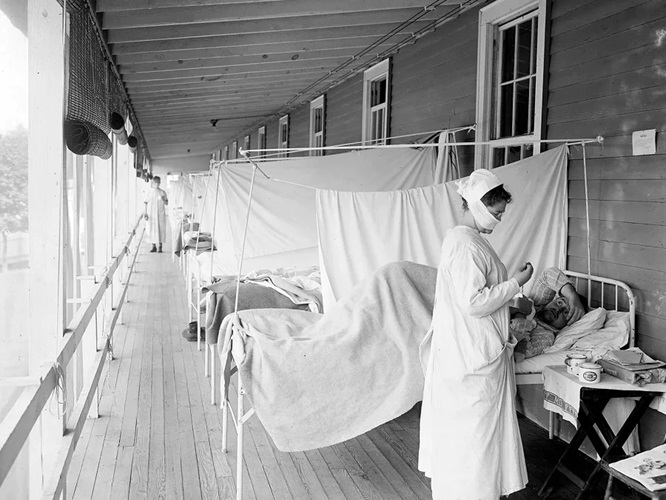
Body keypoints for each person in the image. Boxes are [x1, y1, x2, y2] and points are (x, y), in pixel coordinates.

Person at [418, 169, 533, 500]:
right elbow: (473, 302)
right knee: (473, 437)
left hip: (469, 349)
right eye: (496, 213)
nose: (499, 220)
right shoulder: (465, 244)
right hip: (470, 354)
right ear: (479, 206)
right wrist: (516, 283)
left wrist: (509, 302)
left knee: (473, 436)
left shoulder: (466, 239)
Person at [510, 267, 587, 361]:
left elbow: (523, 352)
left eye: (566, 312)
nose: (557, 310)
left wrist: (521, 314)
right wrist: (572, 296)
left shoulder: (546, 336)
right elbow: (548, 274)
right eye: (560, 303)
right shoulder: (537, 304)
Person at [143, 176, 168, 253]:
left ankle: (160, 246)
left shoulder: (162, 192)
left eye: (158, 182)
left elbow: (167, 203)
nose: (157, 184)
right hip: (151, 214)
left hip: (160, 214)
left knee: (160, 229)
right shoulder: (149, 192)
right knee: (152, 229)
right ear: (153, 182)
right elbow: (145, 202)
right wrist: (145, 212)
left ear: (160, 183)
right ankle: (153, 246)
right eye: (156, 182)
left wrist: (163, 199)